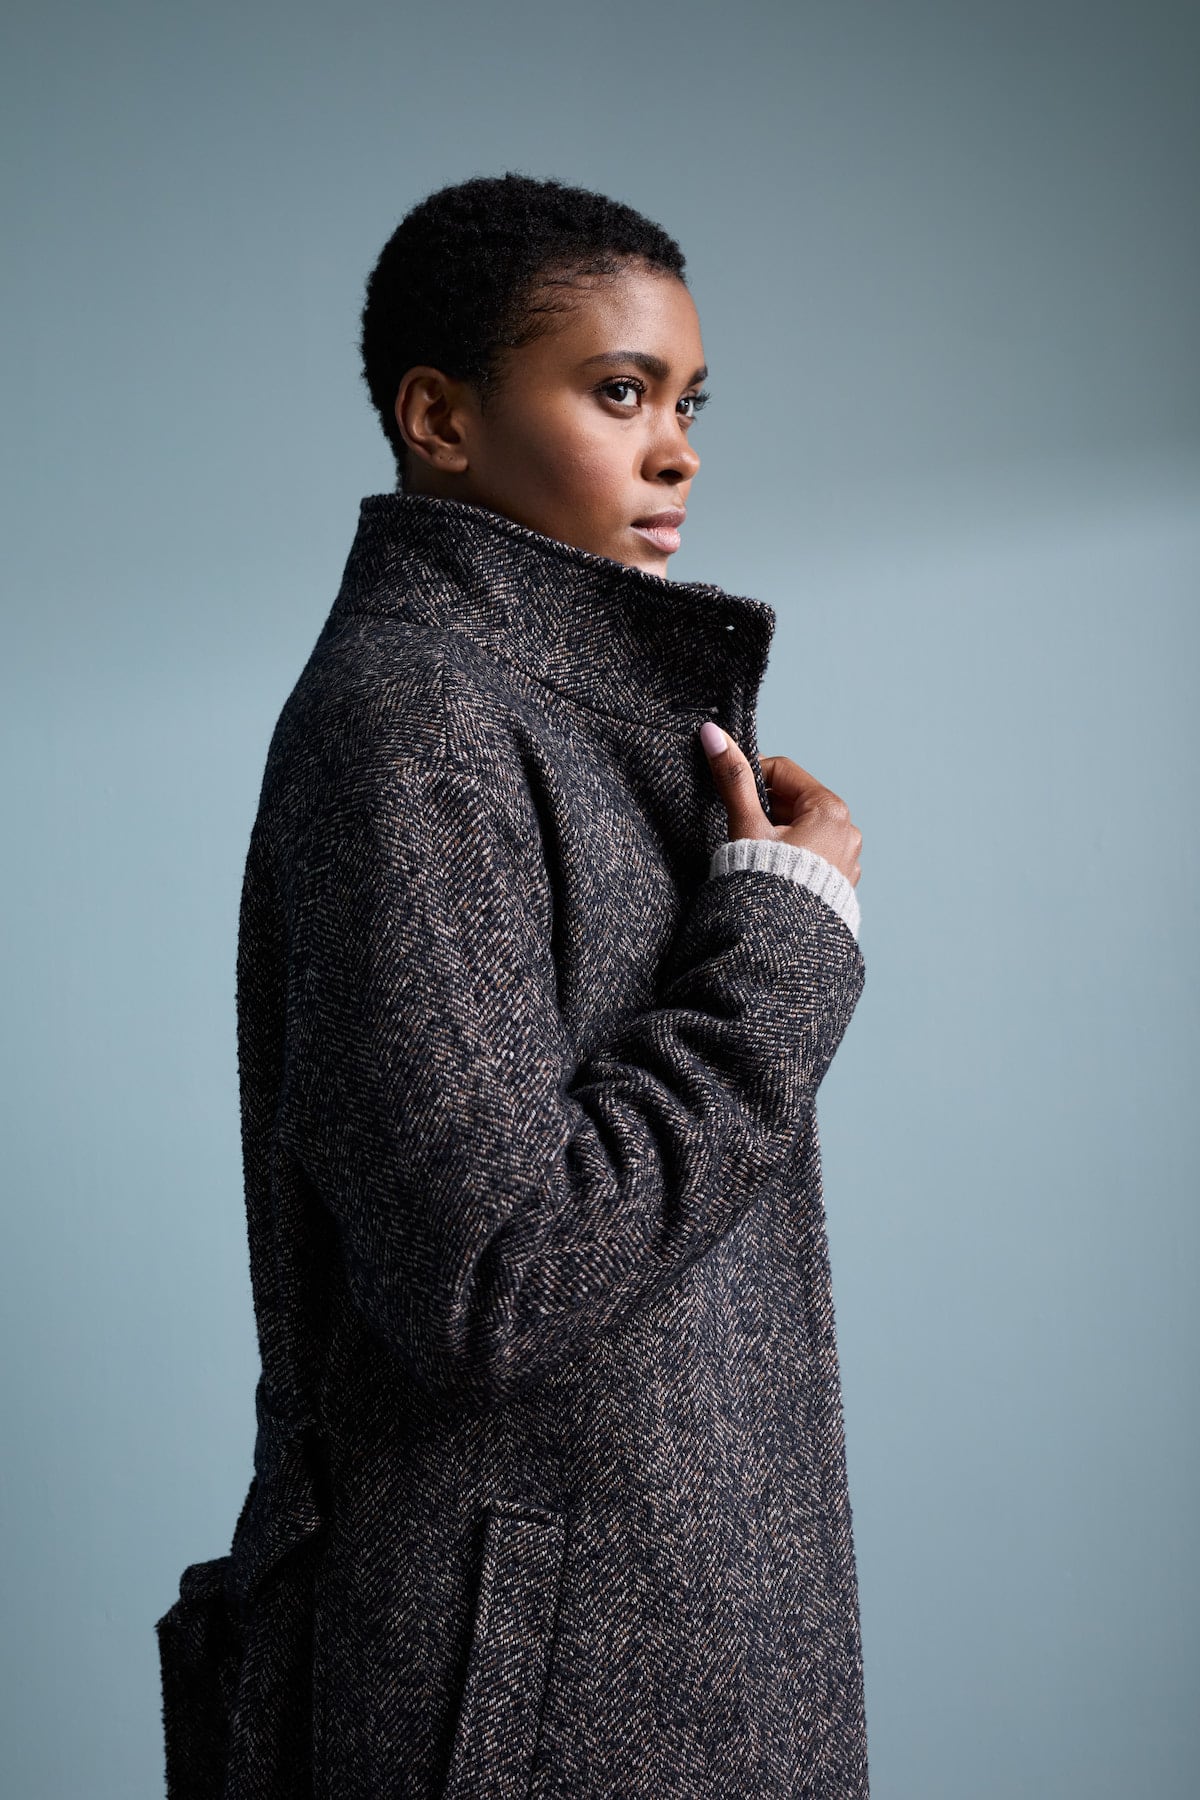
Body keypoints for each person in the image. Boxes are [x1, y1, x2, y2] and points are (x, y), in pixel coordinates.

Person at [155, 171, 868, 1799]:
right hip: (516, 1699)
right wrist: (784, 939)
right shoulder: (410, 721)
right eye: (619, 391)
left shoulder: (561, 713)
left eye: (688, 402)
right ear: (441, 419)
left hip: (620, 1653)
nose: (676, 448)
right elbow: (495, 1274)